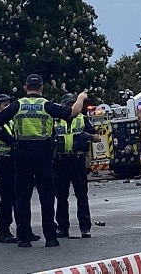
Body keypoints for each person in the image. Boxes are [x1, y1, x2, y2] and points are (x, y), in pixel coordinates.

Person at [0, 73, 87, 248]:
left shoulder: (17, 105)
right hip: (43, 154)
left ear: (26, 88)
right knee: (47, 196)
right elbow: (74, 112)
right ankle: (50, 236)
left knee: (22, 197)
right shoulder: (47, 105)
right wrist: (80, 97)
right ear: (42, 88)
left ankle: (24, 237)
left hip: (22, 155)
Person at [53, 93, 99, 239]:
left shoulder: (82, 119)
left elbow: (97, 137)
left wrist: (89, 136)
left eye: (72, 104)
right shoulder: (55, 120)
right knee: (61, 197)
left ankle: (85, 228)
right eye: (68, 104)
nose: (70, 107)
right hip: (60, 161)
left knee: (81, 196)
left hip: (77, 160)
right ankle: (62, 228)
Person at [0, 94, 20, 243]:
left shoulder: (12, 121)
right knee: (7, 198)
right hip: (3, 162)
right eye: (4, 105)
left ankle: (23, 229)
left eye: (9, 104)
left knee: (19, 197)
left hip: (14, 161)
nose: (8, 107)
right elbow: (7, 138)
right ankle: (4, 231)